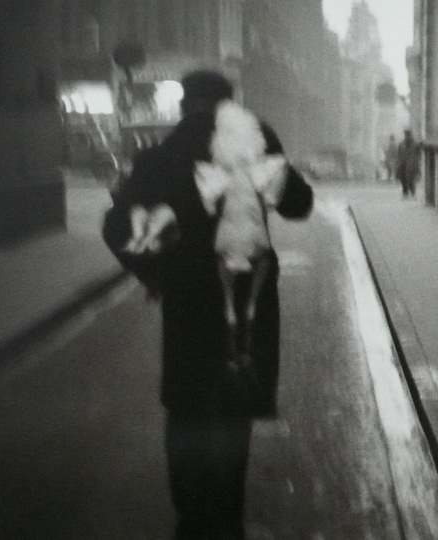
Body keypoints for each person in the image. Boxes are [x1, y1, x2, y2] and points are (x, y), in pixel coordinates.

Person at [102, 70, 313, 538]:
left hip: (188, 301)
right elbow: (299, 203)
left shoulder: (160, 156)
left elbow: (116, 226)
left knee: (187, 402)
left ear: (183, 105)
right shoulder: (254, 142)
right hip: (247, 296)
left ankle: (189, 506)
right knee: (234, 405)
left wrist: (154, 274)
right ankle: (225, 511)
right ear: (228, 104)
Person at [395, 129, 420, 198]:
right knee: (403, 179)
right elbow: (398, 154)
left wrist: (417, 163)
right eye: (406, 135)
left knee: (411, 179)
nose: (407, 136)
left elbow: (418, 154)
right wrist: (398, 164)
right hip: (403, 164)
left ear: (411, 135)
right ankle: (405, 193)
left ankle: (412, 193)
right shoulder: (401, 144)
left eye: (408, 135)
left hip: (411, 164)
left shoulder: (415, 144)